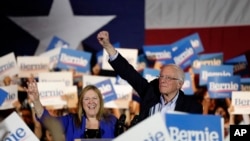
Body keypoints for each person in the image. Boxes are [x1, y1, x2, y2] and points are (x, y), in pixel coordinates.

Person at [97, 31, 203, 122]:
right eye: (161, 76)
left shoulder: (192, 107)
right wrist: (107, 46)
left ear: (179, 84)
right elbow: (128, 73)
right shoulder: (150, 92)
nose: (162, 80)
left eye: (168, 78)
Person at [25, 79, 118, 141]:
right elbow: (47, 120)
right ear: (81, 103)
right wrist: (36, 101)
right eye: (86, 99)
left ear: (100, 101)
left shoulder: (112, 121)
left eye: (94, 98)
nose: (91, 102)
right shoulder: (71, 121)